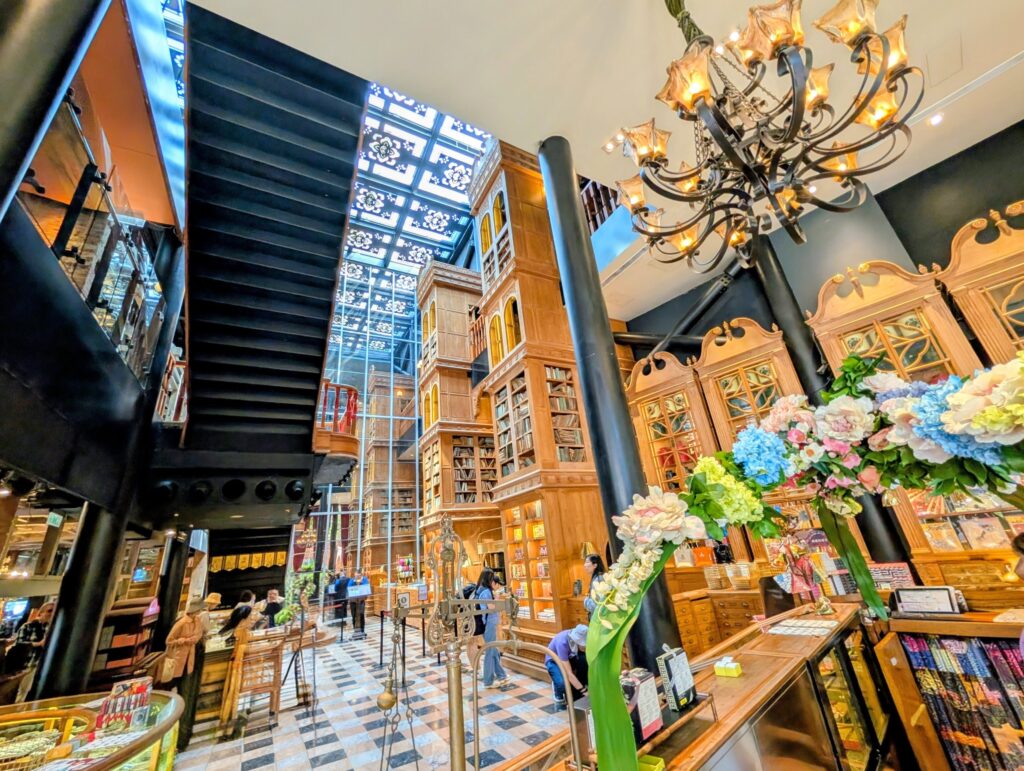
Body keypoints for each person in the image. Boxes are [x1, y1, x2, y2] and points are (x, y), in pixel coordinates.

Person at [474, 568, 512, 690]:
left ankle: (501, 675)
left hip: (487, 623)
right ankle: (488, 681)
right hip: (489, 624)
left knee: (493, 650)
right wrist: (498, 600)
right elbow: (491, 607)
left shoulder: (480, 590)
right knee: (490, 651)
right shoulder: (486, 591)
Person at [545, 624, 589, 709]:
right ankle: (558, 691)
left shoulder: (581, 633)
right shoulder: (562, 643)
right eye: (583, 644)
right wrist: (584, 691)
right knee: (562, 683)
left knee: (584, 661)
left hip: (570, 657)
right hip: (554, 661)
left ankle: (578, 688)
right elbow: (569, 674)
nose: (585, 646)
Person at [583, 554, 607, 620]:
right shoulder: (600, 576)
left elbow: (595, 605)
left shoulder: (598, 579)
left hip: (599, 617)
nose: (584, 565)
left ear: (595, 565)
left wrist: (586, 601)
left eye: (587, 562)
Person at [348, 570, 369, 638]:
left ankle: (362, 630)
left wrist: (361, 581)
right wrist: (354, 581)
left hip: (361, 601)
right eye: (356, 576)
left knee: (361, 614)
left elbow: (366, 587)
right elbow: (349, 587)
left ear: (361, 575)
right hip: (353, 601)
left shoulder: (364, 579)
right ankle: (355, 630)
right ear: (354, 575)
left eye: (358, 576)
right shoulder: (352, 580)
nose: (357, 577)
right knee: (354, 615)